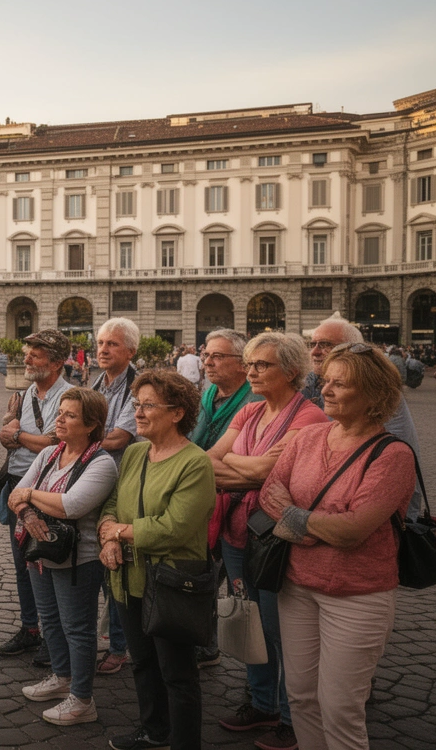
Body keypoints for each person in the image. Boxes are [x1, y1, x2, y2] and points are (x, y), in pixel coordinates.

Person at [258, 344, 416, 750]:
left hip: (358, 595)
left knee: (340, 707)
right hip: (296, 585)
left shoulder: (393, 455)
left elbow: (352, 531)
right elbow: (269, 492)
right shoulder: (308, 437)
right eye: (325, 380)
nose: (324, 390)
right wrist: (314, 527)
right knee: (302, 697)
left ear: (374, 394)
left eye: (339, 383)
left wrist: (295, 522)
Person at [207, 333, 328, 750]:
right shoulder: (250, 411)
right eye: (250, 363)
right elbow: (210, 462)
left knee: (284, 631)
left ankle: (296, 719)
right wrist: (250, 467)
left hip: (278, 538)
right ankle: (262, 703)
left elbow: (267, 474)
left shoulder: (310, 418)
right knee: (249, 620)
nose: (252, 371)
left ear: (292, 371)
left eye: (262, 365)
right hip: (237, 532)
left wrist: (240, 464)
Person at [97, 370, 216, 750]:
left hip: (172, 581)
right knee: (143, 662)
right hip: (129, 576)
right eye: (137, 405)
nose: (139, 413)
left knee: (178, 673)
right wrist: (109, 530)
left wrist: (120, 532)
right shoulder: (133, 453)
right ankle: (153, 730)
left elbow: (175, 527)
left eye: (149, 406)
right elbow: (112, 504)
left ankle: (184, 743)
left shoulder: (195, 463)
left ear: (178, 412)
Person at [8, 387, 118, 727]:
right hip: (40, 551)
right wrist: (27, 512)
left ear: (91, 425)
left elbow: (71, 505)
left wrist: (29, 494)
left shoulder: (102, 463)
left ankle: (83, 699)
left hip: (78, 561)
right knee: (50, 620)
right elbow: (15, 495)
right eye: (60, 412)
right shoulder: (50, 454)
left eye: (70, 415)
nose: (60, 419)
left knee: (78, 629)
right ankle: (62, 677)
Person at [302, 317, 427, 522]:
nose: (314, 352)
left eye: (324, 345)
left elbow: (391, 463)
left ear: (352, 349)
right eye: (312, 344)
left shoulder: (379, 392)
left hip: (384, 518)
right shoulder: (314, 382)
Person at [0, 330, 72, 664]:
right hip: (17, 483)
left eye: (35, 354)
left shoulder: (71, 398)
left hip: (51, 488)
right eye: (28, 352)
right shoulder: (22, 395)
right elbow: (4, 436)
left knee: (49, 561)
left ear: (56, 362)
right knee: (23, 562)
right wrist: (26, 438)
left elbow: (59, 444)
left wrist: (20, 435)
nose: (26, 358)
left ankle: (56, 637)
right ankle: (30, 628)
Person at [187, 329, 261, 668]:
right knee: (202, 577)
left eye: (217, 356)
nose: (208, 362)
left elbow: (245, 457)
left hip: (236, 503)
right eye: (206, 355)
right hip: (203, 494)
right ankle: (206, 644)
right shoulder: (209, 393)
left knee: (237, 586)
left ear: (242, 364)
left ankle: (255, 663)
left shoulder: (254, 400)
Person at [91, 317, 141, 676]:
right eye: (100, 344)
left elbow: (117, 439)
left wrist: (74, 440)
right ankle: (113, 636)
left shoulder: (137, 387)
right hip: (98, 479)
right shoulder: (97, 383)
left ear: (131, 351)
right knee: (102, 564)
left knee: (119, 565)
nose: (103, 350)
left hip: (123, 484)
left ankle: (123, 646)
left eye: (112, 344)